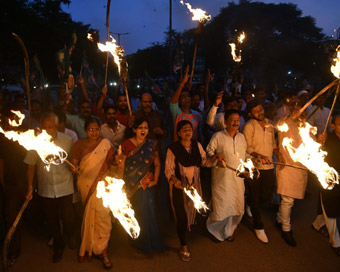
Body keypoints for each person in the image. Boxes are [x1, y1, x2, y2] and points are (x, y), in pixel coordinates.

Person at [24, 112, 76, 263]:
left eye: (51, 127)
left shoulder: (67, 140)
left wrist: (74, 168)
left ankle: (70, 234)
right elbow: (30, 166)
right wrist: (29, 187)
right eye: (45, 127)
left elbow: (74, 160)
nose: (48, 130)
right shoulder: (36, 143)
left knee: (68, 217)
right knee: (52, 219)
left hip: (65, 185)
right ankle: (58, 244)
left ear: (58, 126)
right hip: (46, 188)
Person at [165, 120, 220, 262]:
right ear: (178, 133)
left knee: (195, 212)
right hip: (180, 188)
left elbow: (204, 162)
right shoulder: (173, 148)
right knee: (181, 217)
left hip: (195, 187)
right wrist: (175, 181)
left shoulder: (197, 145)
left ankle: (189, 232)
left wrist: (215, 157)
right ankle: (183, 245)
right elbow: (168, 170)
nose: (188, 132)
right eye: (184, 130)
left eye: (189, 129)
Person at [71, 117, 115, 269]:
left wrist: (118, 162)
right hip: (86, 184)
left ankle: (102, 250)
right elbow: (74, 163)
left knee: (103, 219)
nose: (94, 132)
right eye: (91, 129)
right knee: (89, 217)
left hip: (103, 186)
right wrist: (74, 168)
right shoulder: (78, 145)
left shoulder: (106, 144)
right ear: (85, 130)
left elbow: (113, 163)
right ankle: (89, 248)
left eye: (97, 129)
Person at [120, 117, 163, 255]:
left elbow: (157, 163)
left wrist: (155, 180)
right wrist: (120, 184)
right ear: (134, 130)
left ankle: (150, 242)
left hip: (145, 184)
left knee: (148, 212)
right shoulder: (126, 145)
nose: (143, 130)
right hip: (130, 184)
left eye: (145, 128)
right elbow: (121, 166)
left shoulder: (151, 144)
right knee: (135, 212)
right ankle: (138, 241)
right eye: (140, 128)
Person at [242, 99, 282, 243]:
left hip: (269, 166)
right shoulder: (248, 126)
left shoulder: (270, 124)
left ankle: (249, 202)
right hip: (255, 167)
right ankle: (258, 226)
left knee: (267, 194)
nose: (260, 112)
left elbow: (273, 144)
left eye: (261, 109)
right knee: (255, 196)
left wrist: (279, 154)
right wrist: (259, 156)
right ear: (250, 114)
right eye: (256, 111)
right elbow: (248, 148)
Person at [206, 109, 248, 241]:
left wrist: (254, 159)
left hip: (237, 180)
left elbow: (245, 155)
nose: (236, 123)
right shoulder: (218, 136)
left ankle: (229, 231)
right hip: (222, 179)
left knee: (236, 206)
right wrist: (216, 156)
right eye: (232, 120)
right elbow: (208, 152)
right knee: (222, 206)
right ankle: (215, 230)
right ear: (225, 122)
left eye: (237, 120)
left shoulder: (242, 137)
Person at [276, 103, 308, 247]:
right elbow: (280, 125)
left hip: (300, 168)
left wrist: (320, 140)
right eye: (300, 111)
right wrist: (291, 116)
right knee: (287, 199)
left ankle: (279, 218)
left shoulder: (306, 127)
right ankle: (286, 229)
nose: (302, 114)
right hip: (287, 166)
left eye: (304, 112)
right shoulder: (285, 124)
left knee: (290, 200)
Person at [312, 115, 340, 256]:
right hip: (328, 179)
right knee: (331, 209)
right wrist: (320, 143)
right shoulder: (327, 139)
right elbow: (317, 155)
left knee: (333, 207)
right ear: (333, 125)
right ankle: (336, 242)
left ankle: (317, 224)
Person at [170, 66, 202, 142]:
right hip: (179, 149)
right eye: (183, 97)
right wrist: (182, 83)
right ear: (179, 101)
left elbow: (199, 134)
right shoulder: (177, 113)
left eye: (188, 96)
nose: (186, 98)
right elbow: (173, 101)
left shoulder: (197, 115)